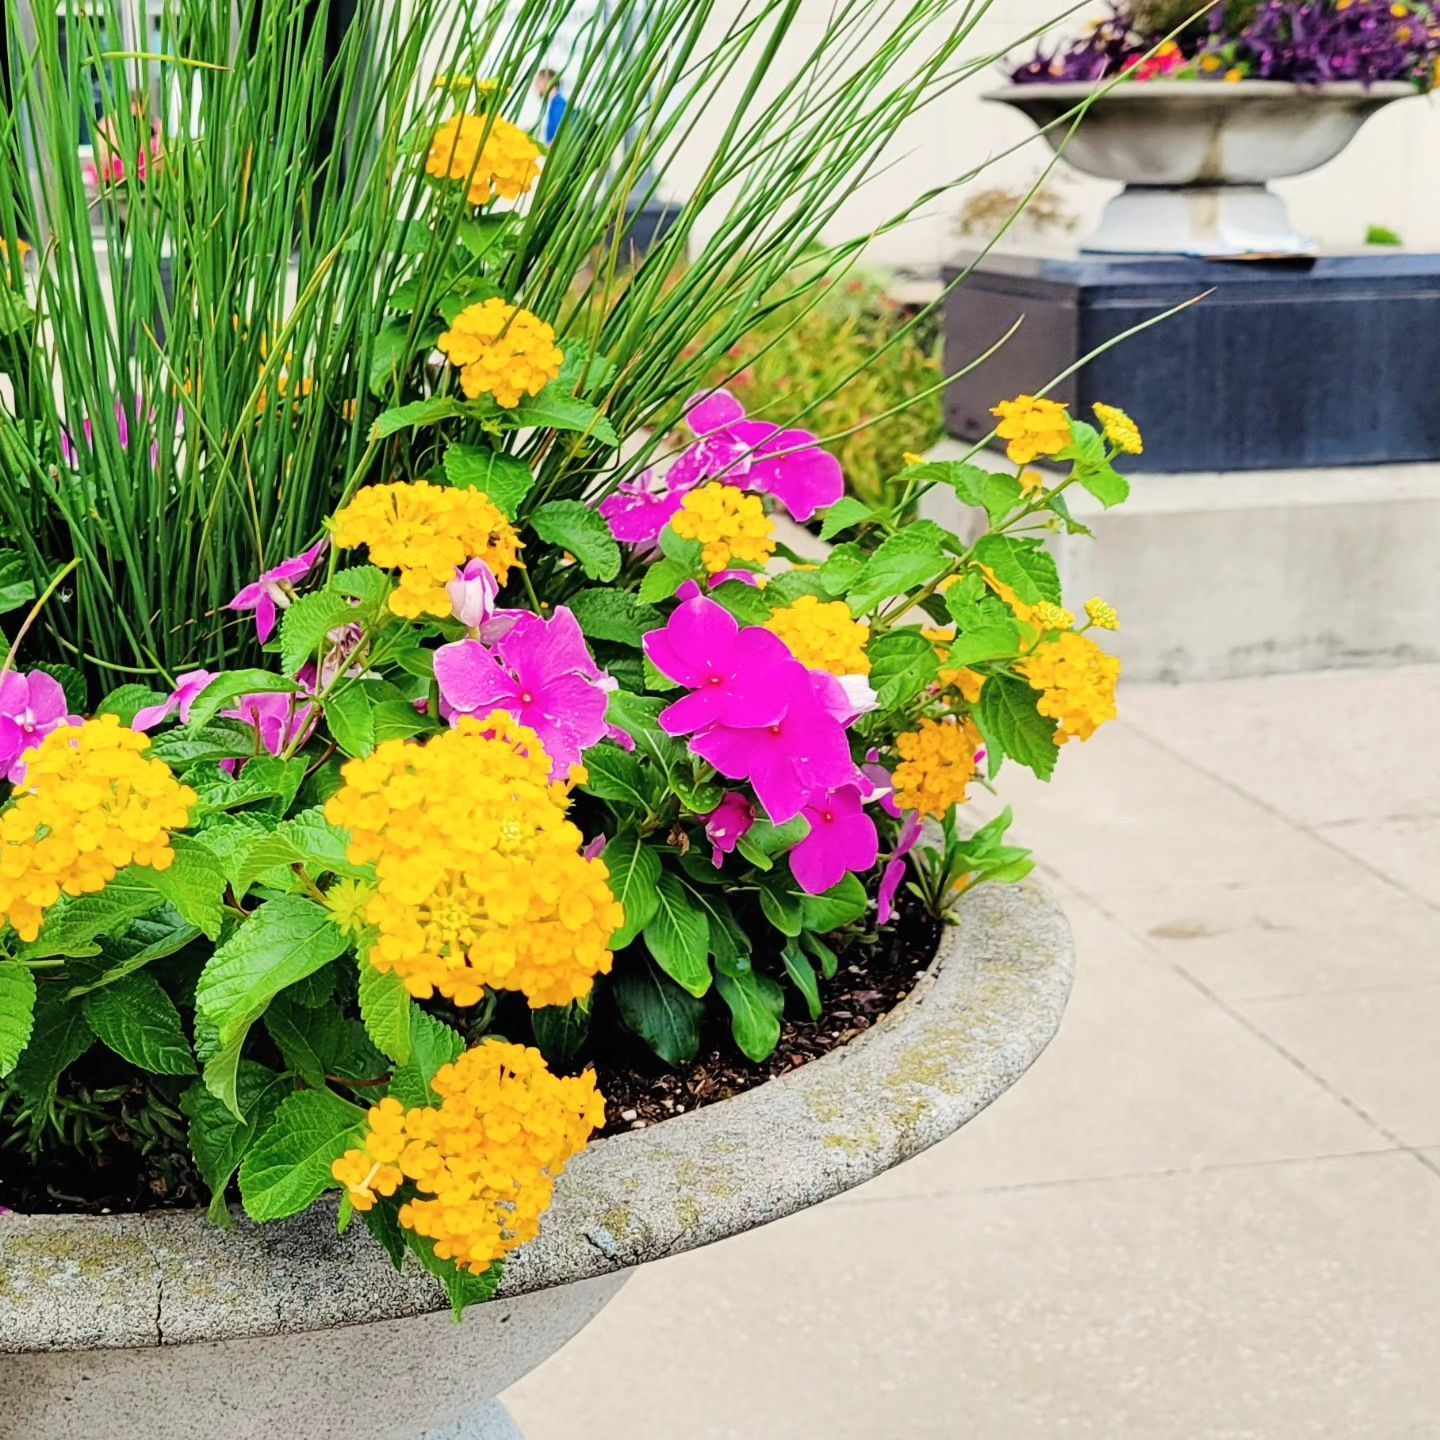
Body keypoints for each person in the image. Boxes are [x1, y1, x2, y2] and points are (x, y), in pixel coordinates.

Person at [533, 68, 568, 145]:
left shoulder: (559, 105)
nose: (535, 84)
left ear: (548, 81)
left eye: (538, 80)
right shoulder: (555, 103)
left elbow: (560, 138)